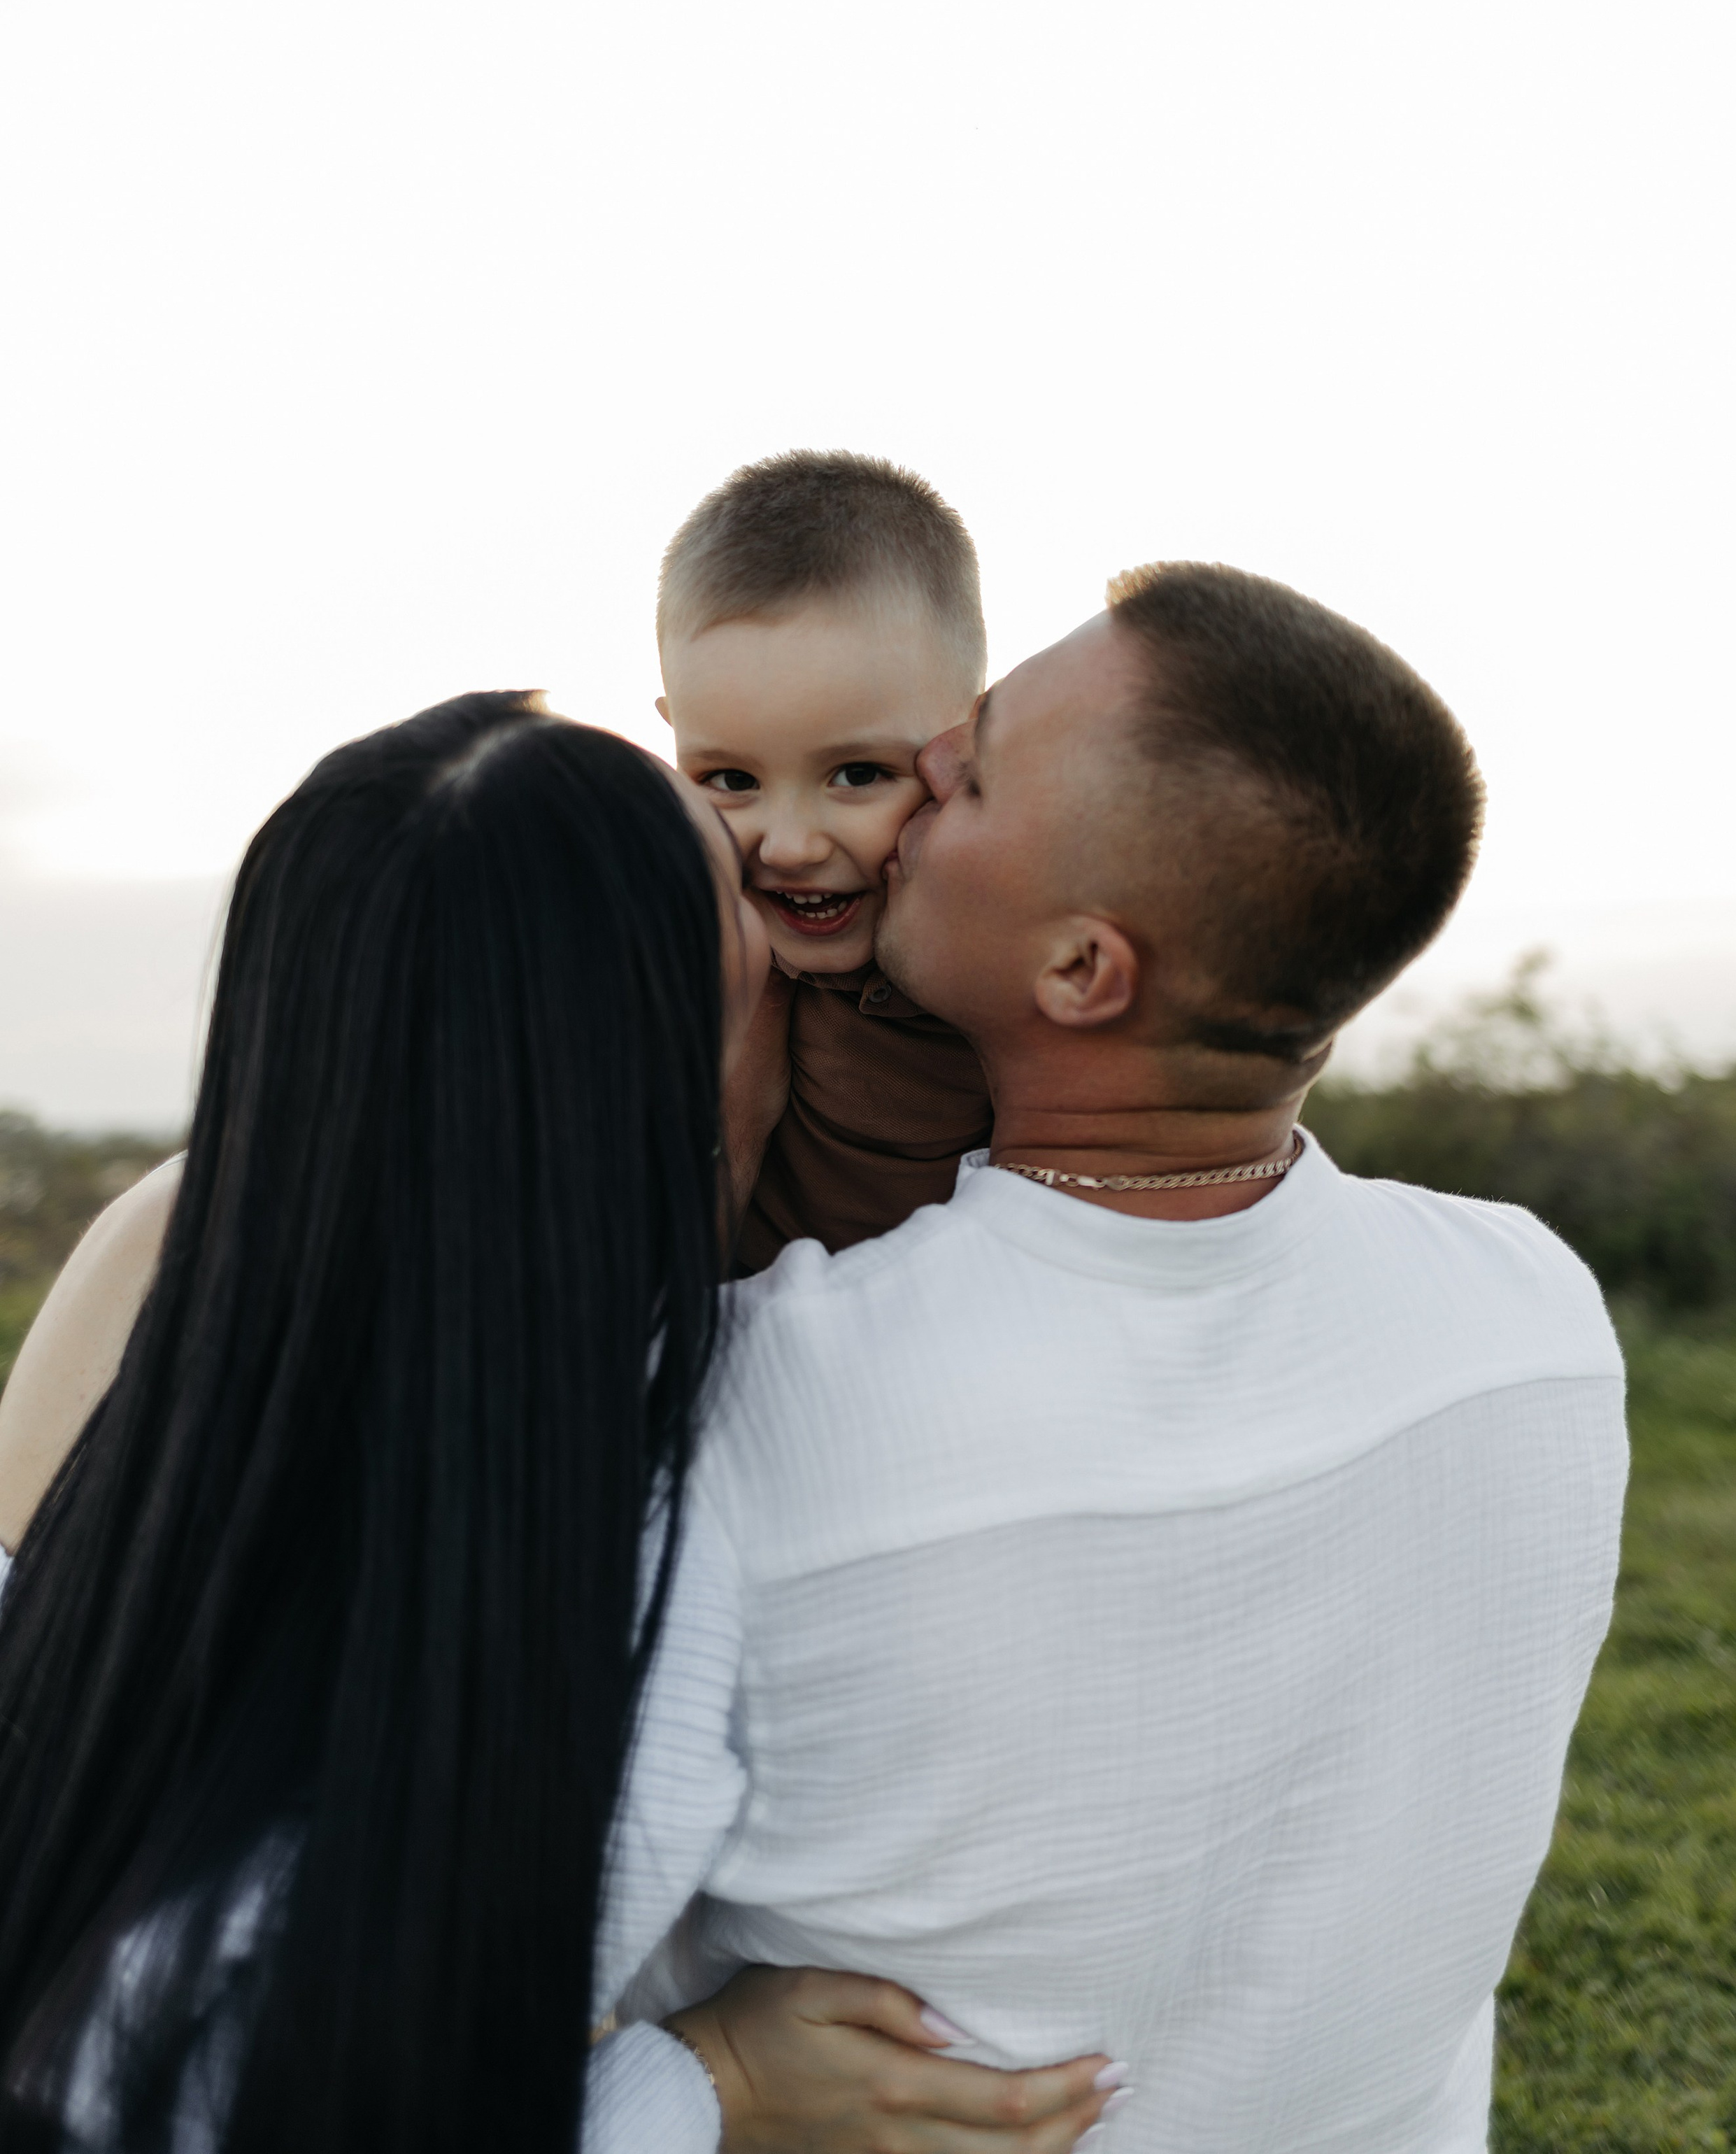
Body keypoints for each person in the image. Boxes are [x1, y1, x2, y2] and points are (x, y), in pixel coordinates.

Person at [0, 693, 1114, 2154]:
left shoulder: (184, 1285)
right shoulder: (630, 1533)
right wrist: (713, 2084)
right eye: (753, 937)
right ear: (666, 1064)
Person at [609, 565, 1632, 2149]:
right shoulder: (1535, 1317)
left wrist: (702, 2082)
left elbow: (391, 2035)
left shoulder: (750, 1409)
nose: (915, 773)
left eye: (967, 768)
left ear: (1081, 971)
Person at [655, 451, 995, 1273]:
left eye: (857, 775)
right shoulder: (677, 968)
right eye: (730, 780)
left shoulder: (1018, 941)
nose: (792, 847)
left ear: (967, 740)